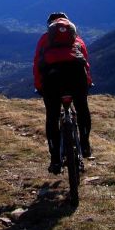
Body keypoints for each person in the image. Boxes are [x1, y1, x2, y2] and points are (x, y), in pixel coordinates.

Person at [33, 12, 92, 175]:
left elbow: (37, 64)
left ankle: (55, 160)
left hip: (52, 81)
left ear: (49, 26)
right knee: (82, 109)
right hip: (76, 79)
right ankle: (85, 144)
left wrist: (40, 87)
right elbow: (85, 63)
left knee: (52, 117)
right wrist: (87, 83)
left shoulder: (45, 39)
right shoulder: (76, 38)